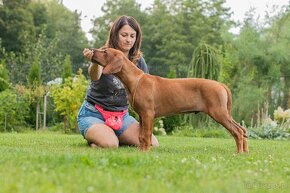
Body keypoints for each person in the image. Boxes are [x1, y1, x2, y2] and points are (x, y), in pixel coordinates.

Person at [77, 15, 159, 148]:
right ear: (115, 35)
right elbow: (94, 77)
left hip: (122, 117)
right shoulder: (105, 54)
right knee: (110, 144)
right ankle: (103, 137)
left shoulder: (138, 60)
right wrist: (95, 61)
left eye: (133, 36)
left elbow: (145, 90)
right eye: (124, 35)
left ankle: (111, 136)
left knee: (152, 143)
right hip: (94, 113)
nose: (128, 40)